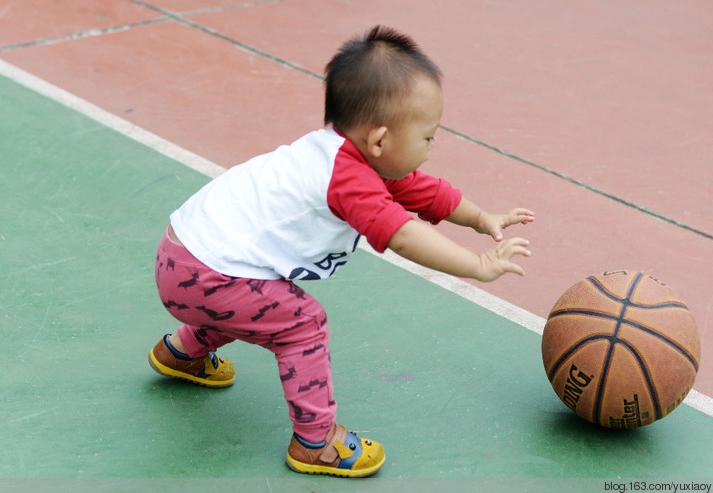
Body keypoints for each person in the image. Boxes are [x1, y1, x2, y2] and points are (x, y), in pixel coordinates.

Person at [147, 25, 534, 478]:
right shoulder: (348, 180)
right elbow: (404, 235)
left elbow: (421, 192)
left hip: (185, 258)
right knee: (302, 323)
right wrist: (476, 265)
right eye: (428, 137)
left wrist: (480, 217)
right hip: (210, 273)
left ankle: (181, 352)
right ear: (380, 140)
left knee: (264, 301)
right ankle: (315, 442)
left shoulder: (346, 155)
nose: (432, 146)